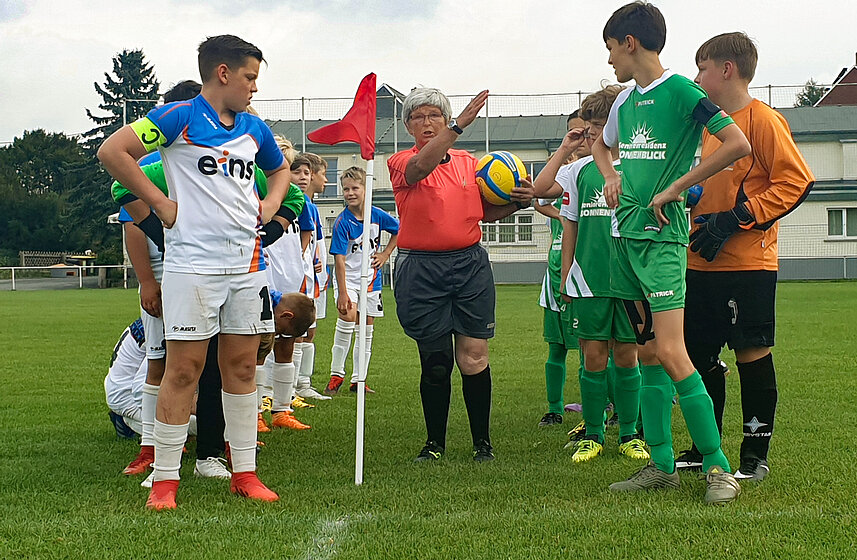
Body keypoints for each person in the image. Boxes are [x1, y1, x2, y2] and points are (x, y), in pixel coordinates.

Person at [98, 34, 291, 510]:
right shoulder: (178, 116)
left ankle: (244, 473)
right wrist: (161, 203)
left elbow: (281, 171)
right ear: (222, 73)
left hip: (247, 266)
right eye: (249, 78)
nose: (254, 88)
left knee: (243, 368)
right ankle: (165, 481)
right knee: (184, 370)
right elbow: (112, 151)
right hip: (191, 267)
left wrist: (269, 202)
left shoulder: (255, 128)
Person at [592, 2, 751, 504]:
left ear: (630, 44)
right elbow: (602, 147)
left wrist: (675, 188)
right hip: (627, 239)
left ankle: (719, 468)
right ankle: (662, 465)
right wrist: (613, 174)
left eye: (611, 49)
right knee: (647, 354)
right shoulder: (623, 103)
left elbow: (736, 143)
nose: (610, 61)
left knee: (672, 352)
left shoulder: (682, 90)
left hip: (663, 238)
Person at [675, 32, 814, 480]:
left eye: (702, 69)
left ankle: (755, 455)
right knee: (698, 354)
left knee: (751, 353)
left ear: (726, 70)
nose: (697, 78)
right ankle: (704, 445)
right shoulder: (708, 127)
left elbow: (795, 182)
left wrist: (736, 218)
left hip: (748, 264)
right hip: (699, 260)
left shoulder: (763, 120)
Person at [387, 87, 534, 463]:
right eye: (417, 117)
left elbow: (485, 212)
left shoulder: (471, 164)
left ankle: (481, 443)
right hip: (421, 269)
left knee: (474, 358)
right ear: (407, 126)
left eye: (434, 115)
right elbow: (422, 168)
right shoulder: (402, 161)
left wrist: (520, 201)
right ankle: (434, 443)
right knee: (436, 361)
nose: (426, 123)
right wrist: (457, 125)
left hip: (469, 266)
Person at [547, 85, 649, 464]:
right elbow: (569, 223)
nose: (593, 135)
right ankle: (592, 434)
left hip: (630, 280)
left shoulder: (640, 168)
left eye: (599, 127)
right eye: (590, 128)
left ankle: (629, 433)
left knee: (627, 356)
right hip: (588, 279)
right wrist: (566, 272)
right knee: (592, 356)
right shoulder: (580, 171)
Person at [532, 110, 587, 427]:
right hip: (556, 271)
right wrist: (563, 218)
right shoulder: (564, 172)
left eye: (586, 129)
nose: (579, 135)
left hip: (589, 270)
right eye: (572, 131)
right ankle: (553, 408)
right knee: (556, 346)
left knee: (594, 348)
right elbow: (540, 199)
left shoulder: (599, 171)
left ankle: (610, 407)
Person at [325, 166, 399, 395]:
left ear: (366, 189)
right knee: (347, 319)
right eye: (345, 189)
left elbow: (400, 229)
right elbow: (338, 260)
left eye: (355, 188)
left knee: (366, 330)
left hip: (371, 281)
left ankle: (359, 379)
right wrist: (343, 291)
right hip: (348, 280)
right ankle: (336, 374)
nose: (350, 193)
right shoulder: (342, 222)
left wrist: (386, 254)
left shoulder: (376, 215)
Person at [258, 152, 315, 432]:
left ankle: (282, 408)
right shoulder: (254, 186)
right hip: (263, 274)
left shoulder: (296, 198)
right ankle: (257, 410)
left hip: (290, 276)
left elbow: (305, 231)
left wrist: (300, 261)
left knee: (288, 342)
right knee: (257, 346)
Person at [293, 152, 332, 401]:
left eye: (308, 173)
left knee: (310, 329)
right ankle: (290, 387)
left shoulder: (312, 208)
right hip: (301, 274)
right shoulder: (298, 203)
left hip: (314, 275)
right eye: (324, 174)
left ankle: (302, 382)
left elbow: (316, 242)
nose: (325, 180)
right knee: (296, 330)